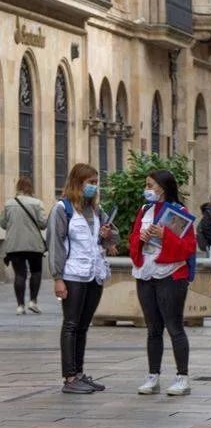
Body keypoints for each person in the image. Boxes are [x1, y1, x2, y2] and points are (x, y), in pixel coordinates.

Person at [46, 163, 116, 394]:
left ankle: (79, 373)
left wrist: (109, 235)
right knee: (71, 324)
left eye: (96, 183)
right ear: (78, 183)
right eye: (90, 183)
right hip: (72, 274)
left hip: (93, 274)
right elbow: (55, 245)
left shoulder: (96, 210)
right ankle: (69, 377)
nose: (94, 187)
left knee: (83, 326)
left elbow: (111, 237)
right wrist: (58, 278)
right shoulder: (62, 209)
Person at [129, 170, 198, 397]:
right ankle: (153, 375)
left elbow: (186, 247)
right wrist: (141, 239)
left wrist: (164, 234)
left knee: (174, 326)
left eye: (150, 185)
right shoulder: (145, 211)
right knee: (153, 328)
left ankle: (182, 376)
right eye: (146, 185)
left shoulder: (177, 212)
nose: (147, 189)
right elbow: (133, 240)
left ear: (163, 187)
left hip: (170, 275)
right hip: (146, 273)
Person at [1, 176, 47, 315]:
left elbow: (3, 223)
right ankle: (33, 301)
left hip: (15, 245)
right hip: (33, 244)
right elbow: (43, 224)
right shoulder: (37, 203)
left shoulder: (9, 204)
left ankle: (20, 306)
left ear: (18, 187)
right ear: (31, 187)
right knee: (36, 272)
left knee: (19, 274)